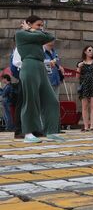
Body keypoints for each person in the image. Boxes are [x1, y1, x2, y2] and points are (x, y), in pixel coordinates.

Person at [16, 15, 64, 143]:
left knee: (52, 100)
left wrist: (33, 30)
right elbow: (44, 36)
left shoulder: (35, 35)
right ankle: (28, 134)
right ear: (28, 23)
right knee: (30, 100)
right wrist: (31, 31)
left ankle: (51, 132)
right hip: (29, 65)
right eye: (38, 25)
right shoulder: (20, 34)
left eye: (42, 25)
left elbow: (50, 37)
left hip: (40, 66)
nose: (41, 28)